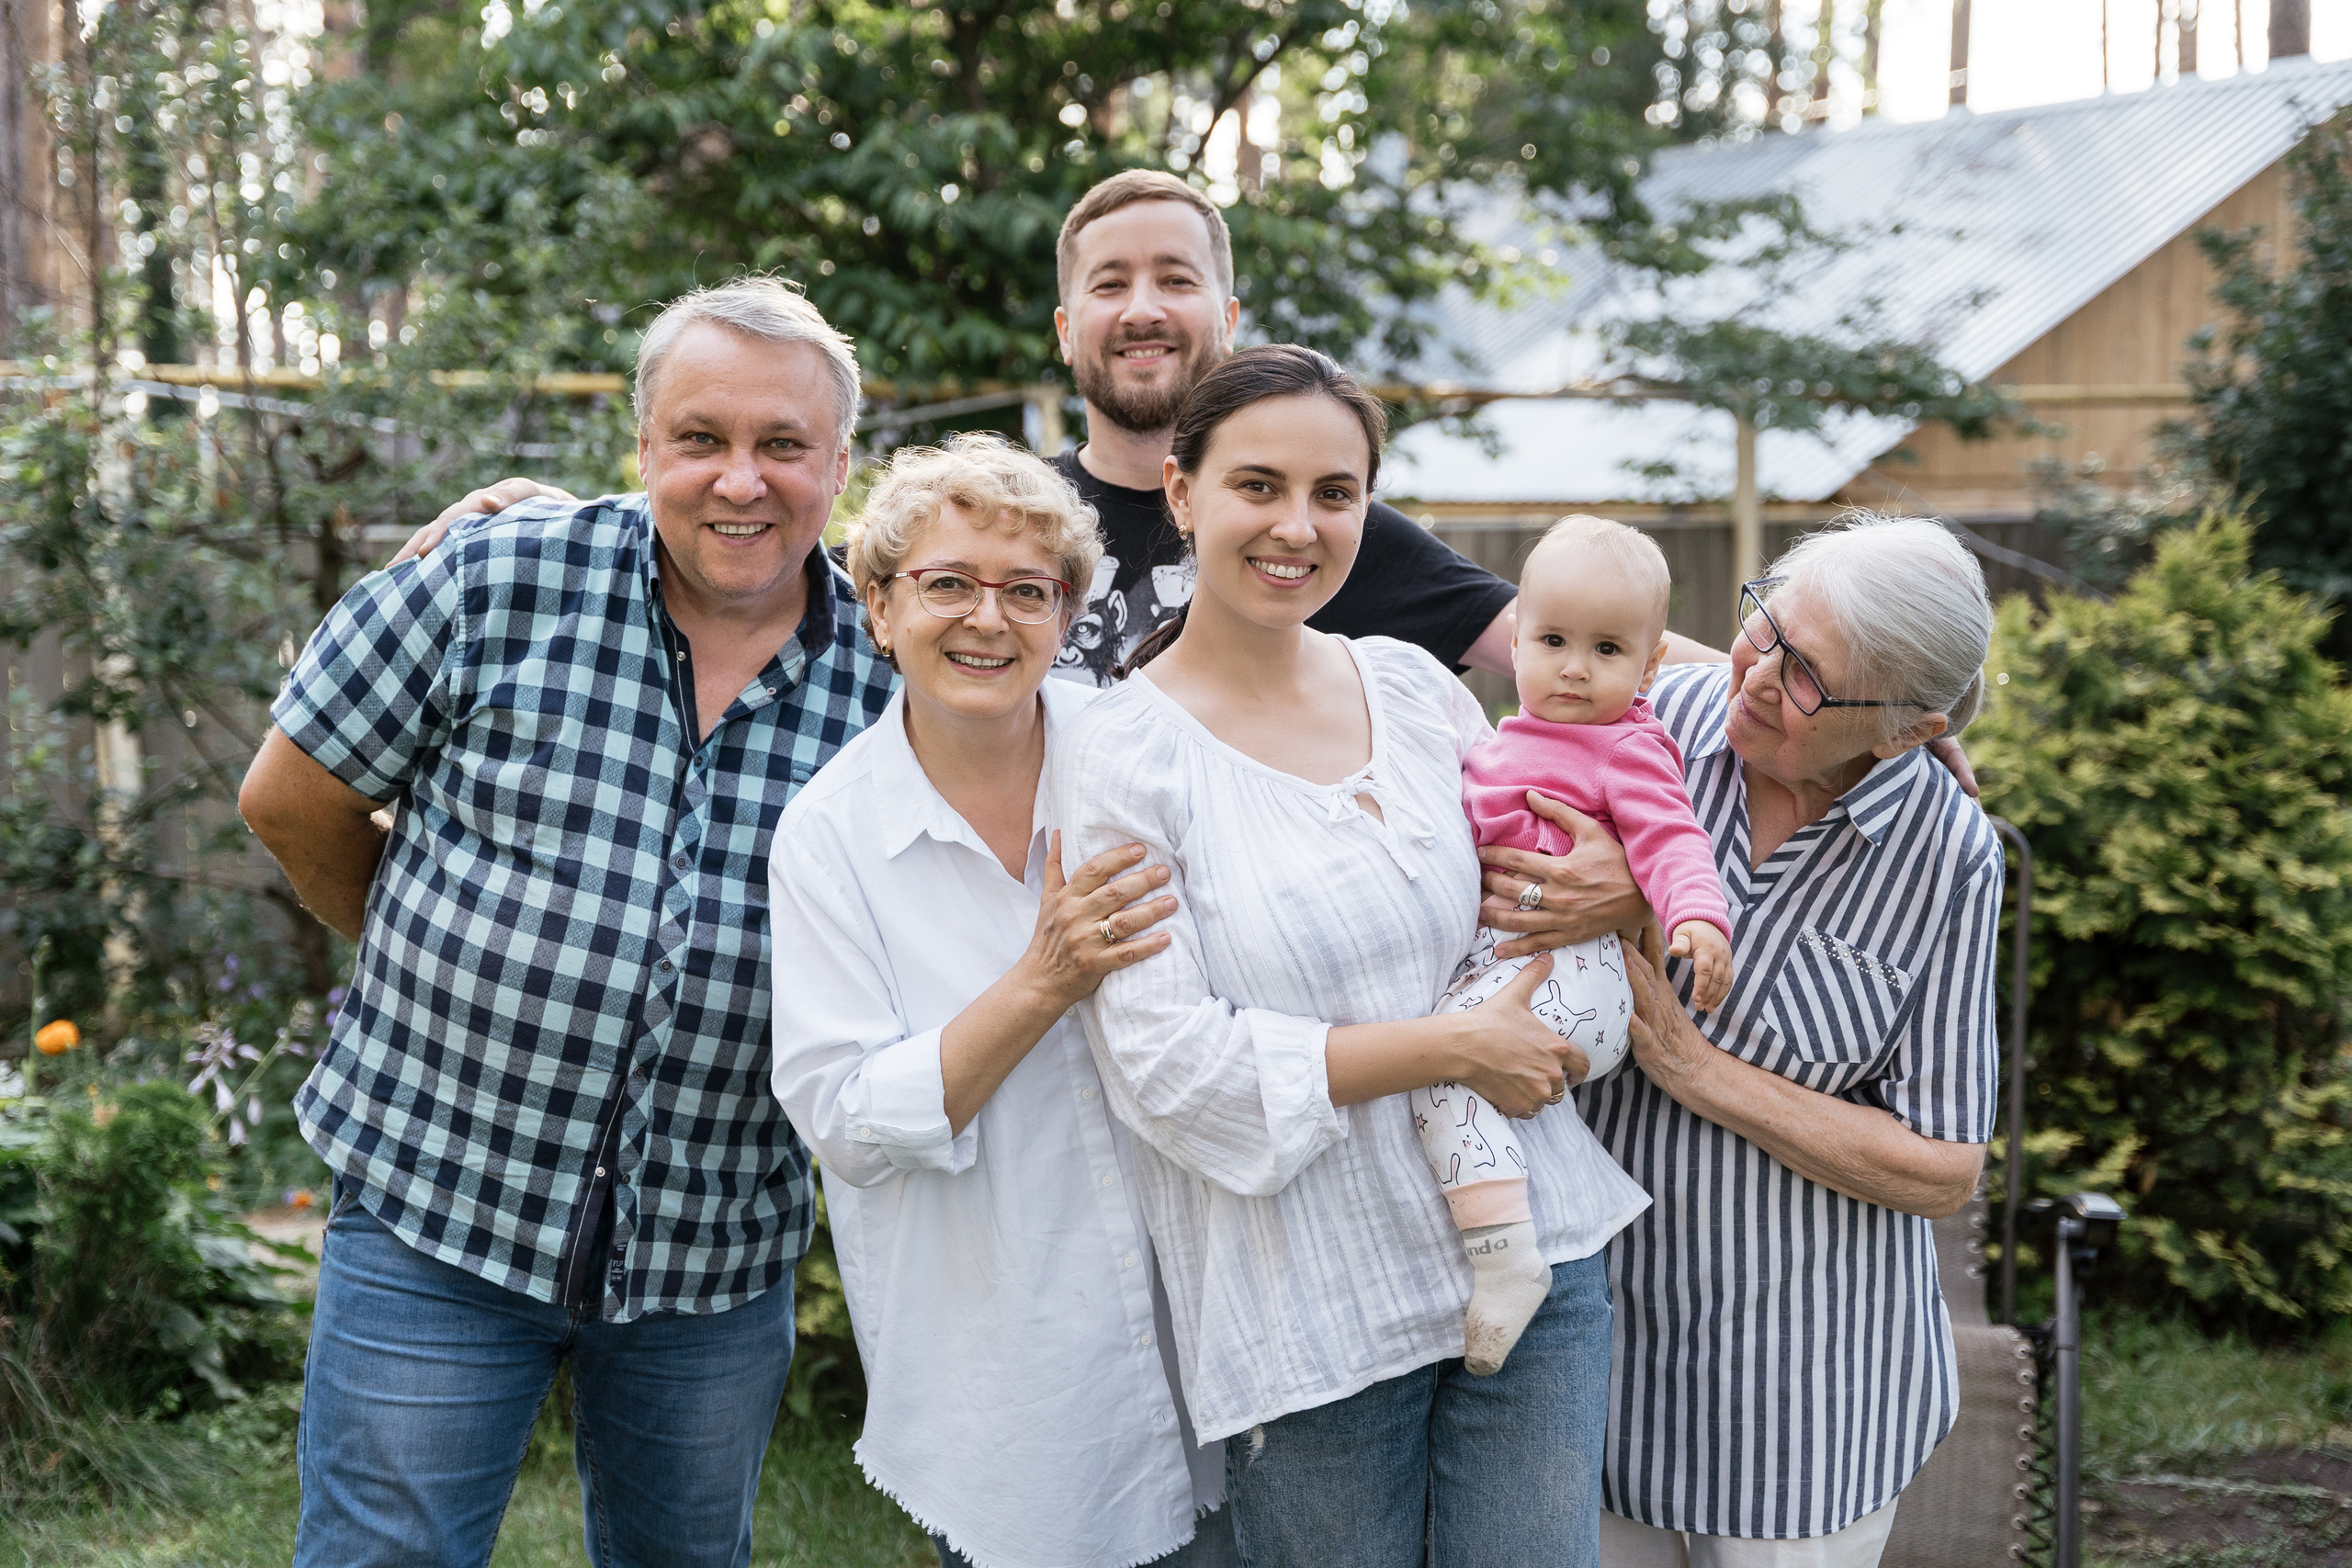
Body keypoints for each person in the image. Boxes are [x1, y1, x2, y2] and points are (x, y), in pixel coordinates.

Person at [236, 277, 895, 1567]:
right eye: (700, 438)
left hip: (710, 1246)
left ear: (839, 464)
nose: (741, 480)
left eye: (783, 444)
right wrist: (424, 946)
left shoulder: (893, 674)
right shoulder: (495, 578)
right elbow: (289, 795)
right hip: (437, 1201)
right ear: (645, 445)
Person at [1049, 344, 1644, 1568]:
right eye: (1257, 485)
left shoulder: (1415, 689)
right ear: (1181, 494)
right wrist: (1449, 1047)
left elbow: (1562, 829)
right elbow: (1166, 1065)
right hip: (1315, 1305)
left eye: (1334, 493)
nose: (1297, 526)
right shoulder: (1122, 753)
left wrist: (1621, 881)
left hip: (1536, 1253)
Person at [763, 433, 1234, 1568]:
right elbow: (848, 1123)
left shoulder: (1143, 753)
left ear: (1067, 615)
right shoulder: (830, 837)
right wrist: (1043, 981)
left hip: (1215, 1338)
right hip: (1014, 1379)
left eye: (1028, 591)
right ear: (880, 607)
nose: (988, 618)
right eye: (948, 585)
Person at [1577, 518, 2005, 1568]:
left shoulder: (1946, 857)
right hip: (1594, 1371)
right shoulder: (1650, 724)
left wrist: (1698, 1070)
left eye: (1807, 675)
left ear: (1909, 730)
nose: (1758, 676)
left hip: (1798, 1406)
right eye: (1764, 625)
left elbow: (1942, 1166)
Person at [1417, 513, 1734, 1375]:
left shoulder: (1625, 745)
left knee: (1443, 1068)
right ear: (1516, 638)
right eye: (1553, 640)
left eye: (1606, 649)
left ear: (1650, 666)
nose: (1575, 668)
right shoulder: (1506, 738)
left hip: (1583, 973)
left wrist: (1699, 917)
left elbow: (1673, 838)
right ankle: (1492, 1234)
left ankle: (1506, 1260)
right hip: (1520, 960)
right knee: (1440, 1069)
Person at [1044, 169, 1524, 684]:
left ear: (1228, 322)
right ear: (1066, 332)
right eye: (1110, 285)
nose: (1142, 310)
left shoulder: (1325, 529)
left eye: (1177, 280)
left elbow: (1562, 645)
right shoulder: (1012, 518)